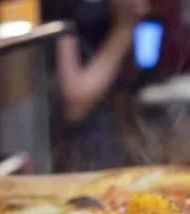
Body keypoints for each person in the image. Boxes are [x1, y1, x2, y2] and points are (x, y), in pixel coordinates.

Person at [43, 0, 149, 171]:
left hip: (114, 141)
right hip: (76, 153)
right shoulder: (60, 8)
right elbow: (75, 103)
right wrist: (125, 27)